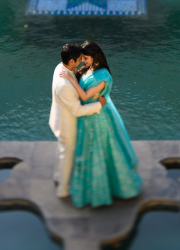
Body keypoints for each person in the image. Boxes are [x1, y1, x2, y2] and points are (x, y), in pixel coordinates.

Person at [59, 40, 142, 208]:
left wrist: (70, 78)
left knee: (100, 153)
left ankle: (104, 191)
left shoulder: (102, 78)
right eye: (82, 58)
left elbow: (84, 96)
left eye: (86, 58)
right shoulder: (90, 69)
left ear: (95, 58)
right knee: (90, 153)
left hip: (97, 119)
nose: (83, 61)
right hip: (89, 115)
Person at [49, 43, 107, 199]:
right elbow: (77, 110)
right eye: (80, 59)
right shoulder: (65, 86)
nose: (82, 61)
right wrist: (98, 105)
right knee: (66, 156)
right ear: (72, 60)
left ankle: (57, 176)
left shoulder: (60, 67)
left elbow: (73, 73)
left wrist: (75, 73)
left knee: (61, 151)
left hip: (58, 117)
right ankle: (63, 189)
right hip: (66, 124)